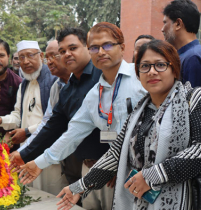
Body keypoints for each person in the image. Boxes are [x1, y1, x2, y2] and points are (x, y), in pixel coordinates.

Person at [55, 39, 201, 210]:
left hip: (185, 201)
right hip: (139, 201)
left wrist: (152, 176)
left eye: (160, 65)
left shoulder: (195, 99)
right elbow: (115, 155)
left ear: (174, 69)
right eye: (145, 66)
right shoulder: (139, 112)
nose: (152, 72)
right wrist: (80, 187)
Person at [17, 22, 147, 210]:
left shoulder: (142, 77)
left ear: (122, 47)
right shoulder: (94, 95)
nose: (101, 52)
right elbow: (72, 135)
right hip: (111, 174)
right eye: (95, 47)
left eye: (107, 45)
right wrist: (39, 163)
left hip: (149, 175)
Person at [7, 28, 107, 200]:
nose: (67, 54)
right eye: (62, 51)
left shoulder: (104, 77)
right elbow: (52, 127)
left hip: (109, 169)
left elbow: (122, 125)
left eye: (73, 48)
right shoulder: (67, 89)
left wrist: (113, 164)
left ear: (88, 47)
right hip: (86, 167)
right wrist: (23, 154)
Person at [0, 40, 57, 148]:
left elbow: (55, 119)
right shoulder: (24, 84)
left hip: (49, 148)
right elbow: (18, 116)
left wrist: (27, 132)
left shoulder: (54, 81)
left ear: (41, 56)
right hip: (26, 149)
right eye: (21, 57)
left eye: (30, 55)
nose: (26, 61)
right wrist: (1, 120)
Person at [162, 0, 201, 87]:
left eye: (165, 23)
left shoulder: (194, 57)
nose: (162, 29)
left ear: (178, 24)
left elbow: (192, 99)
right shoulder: (188, 55)